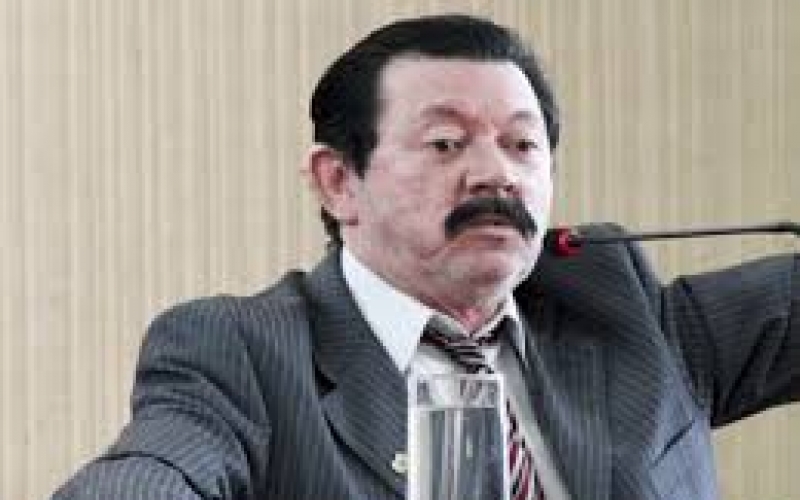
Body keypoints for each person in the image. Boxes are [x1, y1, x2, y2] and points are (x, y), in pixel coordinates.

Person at [53, 13, 799, 500]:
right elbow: (151, 473)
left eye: (522, 145)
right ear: (339, 181)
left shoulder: (618, 308)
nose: (496, 174)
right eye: (446, 143)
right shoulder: (246, 354)